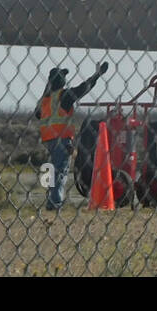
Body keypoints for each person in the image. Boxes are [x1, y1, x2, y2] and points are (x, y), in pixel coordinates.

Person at [35, 62, 109, 209]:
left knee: (52, 171)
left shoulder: (44, 100)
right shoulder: (64, 96)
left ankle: (52, 200)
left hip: (48, 141)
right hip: (62, 140)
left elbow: (38, 115)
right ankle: (54, 203)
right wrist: (97, 75)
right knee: (60, 172)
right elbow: (84, 88)